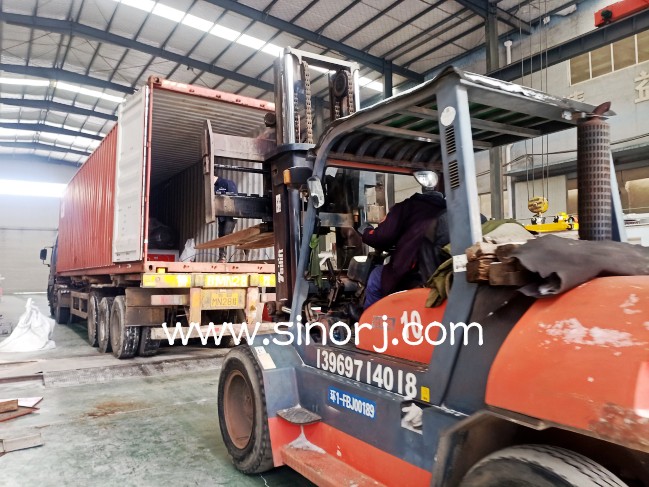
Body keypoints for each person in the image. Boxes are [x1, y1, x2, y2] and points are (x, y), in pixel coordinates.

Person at [361, 184, 448, 308]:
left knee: (375, 277)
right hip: (439, 272)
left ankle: (368, 318)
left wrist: (366, 232)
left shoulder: (408, 207)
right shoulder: (450, 212)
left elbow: (383, 236)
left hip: (413, 272)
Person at [214, 175, 238, 263]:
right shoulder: (215, 187)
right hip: (222, 216)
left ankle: (242, 243)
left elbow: (235, 199)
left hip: (230, 215)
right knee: (221, 235)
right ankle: (222, 258)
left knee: (226, 234)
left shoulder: (227, 183)